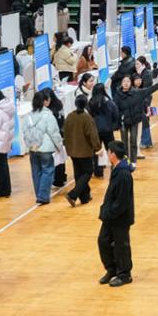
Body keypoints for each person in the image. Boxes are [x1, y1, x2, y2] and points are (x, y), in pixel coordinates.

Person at [95, 140, 136, 286]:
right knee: (103, 241)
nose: (107, 154)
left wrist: (110, 213)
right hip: (111, 215)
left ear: (113, 154)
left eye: (108, 152)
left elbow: (122, 201)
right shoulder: (117, 169)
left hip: (120, 217)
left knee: (121, 246)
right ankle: (112, 269)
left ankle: (124, 274)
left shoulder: (124, 174)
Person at [22, 91, 64, 206]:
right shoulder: (48, 115)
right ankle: (43, 196)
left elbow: (24, 132)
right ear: (45, 102)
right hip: (46, 148)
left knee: (36, 172)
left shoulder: (28, 116)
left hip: (33, 148)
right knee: (48, 170)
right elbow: (54, 133)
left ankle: (39, 195)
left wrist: (29, 145)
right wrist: (59, 146)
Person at [64, 95, 102, 207]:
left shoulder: (70, 116)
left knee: (78, 174)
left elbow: (65, 132)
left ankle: (85, 197)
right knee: (88, 172)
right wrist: (98, 147)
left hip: (72, 150)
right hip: (84, 151)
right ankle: (73, 194)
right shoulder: (87, 118)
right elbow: (92, 135)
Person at [87, 83, 119, 180]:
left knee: (97, 151)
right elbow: (116, 114)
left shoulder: (91, 102)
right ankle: (115, 167)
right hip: (108, 130)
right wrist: (113, 125)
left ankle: (98, 172)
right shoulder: (109, 102)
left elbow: (89, 116)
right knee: (111, 149)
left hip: (95, 131)